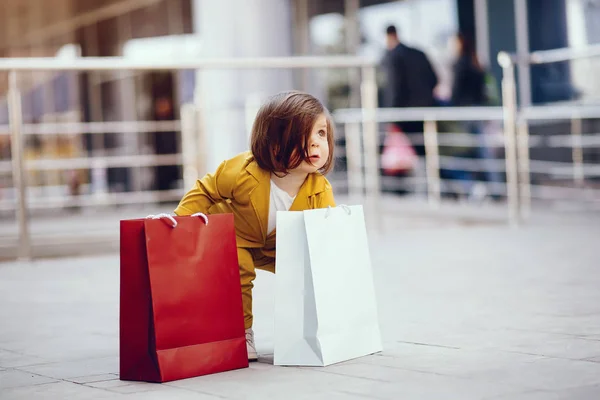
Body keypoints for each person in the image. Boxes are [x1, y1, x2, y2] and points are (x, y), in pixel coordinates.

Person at [174, 91, 336, 361]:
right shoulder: (243, 169)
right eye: (303, 136)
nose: (316, 144)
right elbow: (206, 190)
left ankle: (307, 331)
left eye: (321, 133)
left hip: (278, 246)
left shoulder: (319, 188)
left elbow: (325, 232)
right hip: (236, 236)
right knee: (240, 272)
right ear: (273, 143)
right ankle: (242, 331)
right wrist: (179, 222)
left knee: (305, 273)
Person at [381, 24, 438, 155]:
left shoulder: (393, 57)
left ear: (388, 36)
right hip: (426, 112)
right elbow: (434, 79)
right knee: (426, 151)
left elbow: (394, 88)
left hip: (403, 115)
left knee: (407, 154)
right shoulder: (419, 53)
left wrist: (391, 117)